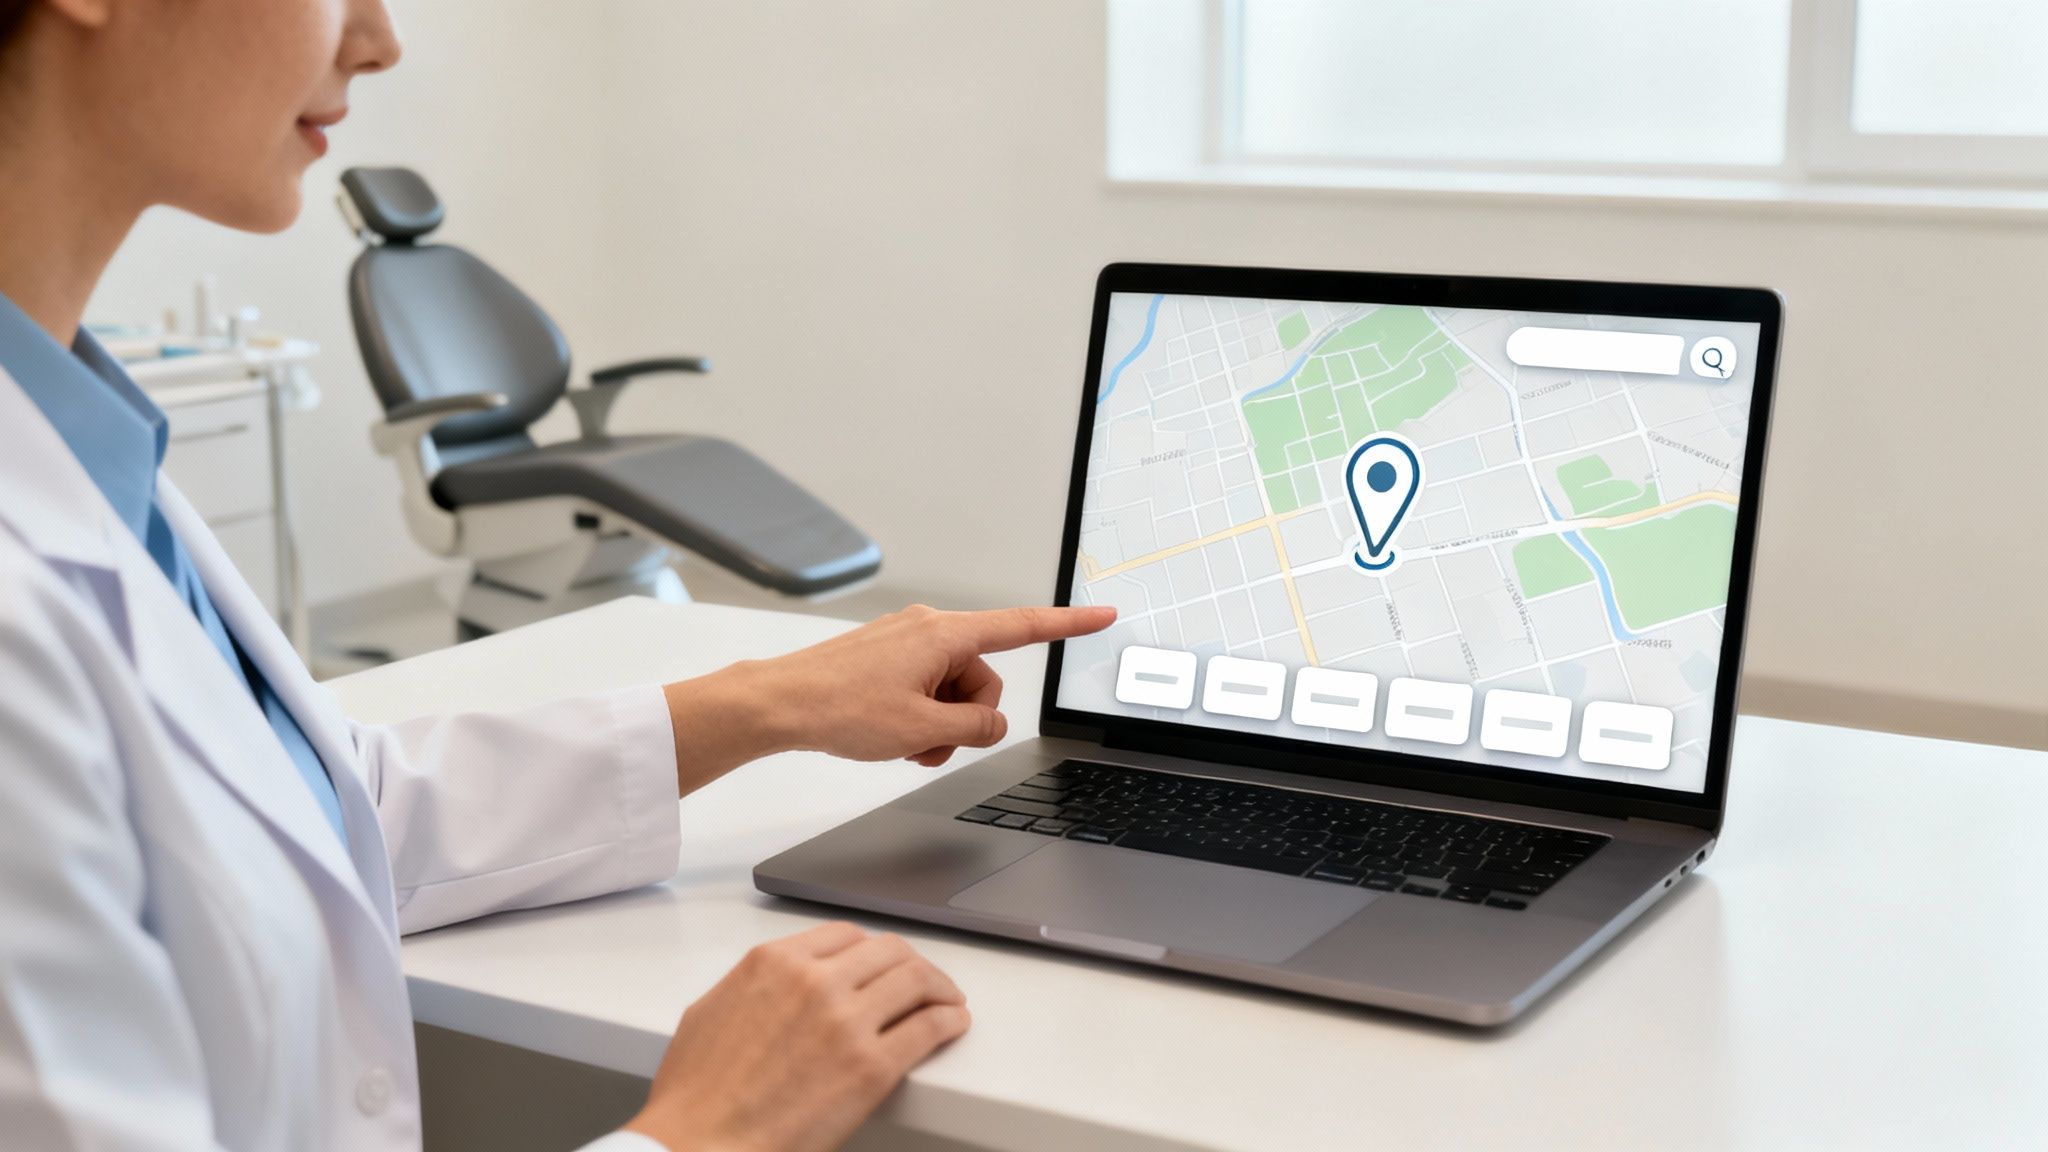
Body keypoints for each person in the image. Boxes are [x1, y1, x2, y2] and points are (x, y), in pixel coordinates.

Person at [0, 1, 1115, 1148]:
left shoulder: (81, 437)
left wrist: (778, 700)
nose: (379, 39)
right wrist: (703, 1129)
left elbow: (330, 811)